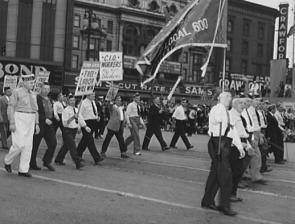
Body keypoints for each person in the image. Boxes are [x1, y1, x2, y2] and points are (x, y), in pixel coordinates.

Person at [201, 92, 243, 216]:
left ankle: (207, 201)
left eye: (230, 97)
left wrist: (239, 147)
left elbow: (232, 130)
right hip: (218, 143)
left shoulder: (226, 111)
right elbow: (215, 120)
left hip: (223, 142)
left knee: (215, 175)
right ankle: (224, 206)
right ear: (220, 98)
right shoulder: (217, 109)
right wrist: (222, 113)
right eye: (226, 97)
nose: (229, 99)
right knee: (226, 176)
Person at [4, 74, 39, 178]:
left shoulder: (34, 94)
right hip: (19, 116)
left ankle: (23, 170)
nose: (32, 84)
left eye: (33, 82)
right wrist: (12, 122)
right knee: (19, 144)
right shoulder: (16, 92)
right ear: (24, 82)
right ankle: (7, 160)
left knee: (28, 146)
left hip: (31, 118)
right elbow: (11, 107)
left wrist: (37, 124)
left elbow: (36, 110)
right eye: (30, 82)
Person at [30, 82, 57, 171]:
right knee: (35, 145)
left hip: (49, 124)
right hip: (40, 123)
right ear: (40, 89)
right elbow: (34, 111)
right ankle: (32, 163)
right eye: (44, 88)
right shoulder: (36, 98)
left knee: (53, 143)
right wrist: (43, 119)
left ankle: (47, 161)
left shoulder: (50, 99)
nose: (46, 90)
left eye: (48, 89)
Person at [229, 98, 252, 202]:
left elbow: (243, 133)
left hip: (242, 143)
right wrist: (239, 144)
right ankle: (230, 194)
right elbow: (231, 133)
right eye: (240, 103)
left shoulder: (239, 116)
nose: (243, 105)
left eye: (243, 103)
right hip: (235, 145)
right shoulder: (231, 115)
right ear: (234, 105)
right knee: (235, 171)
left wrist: (248, 145)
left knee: (238, 171)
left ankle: (232, 193)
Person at [54, 95, 86, 169]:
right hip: (67, 130)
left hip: (74, 130)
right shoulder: (65, 110)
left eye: (73, 100)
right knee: (72, 146)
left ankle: (58, 159)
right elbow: (65, 123)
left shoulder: (77, 109)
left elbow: (80, 119)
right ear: (68, 101)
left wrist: (82, 127)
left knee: (66, 146)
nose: (72, 102)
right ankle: (77, 162)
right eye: (71, 100)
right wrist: (72, 117)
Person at [241, 98, 264, 183]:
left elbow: (254, 124)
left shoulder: (249, 110)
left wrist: (257, 135)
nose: (248, 103)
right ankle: (250, 175)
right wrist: (252, 137)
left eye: (250, 101)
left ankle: (252, 175)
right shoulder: (244, 111)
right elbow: (245, 126)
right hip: (247, 135)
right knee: (253, 155)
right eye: (247, 101)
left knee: (253, 156)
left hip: (252, 134)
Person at [77, 93, 104, 165]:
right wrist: (82, 126)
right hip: (86, 123)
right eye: (93, 95)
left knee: (85, 140)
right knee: (90, 140)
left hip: (93, 122)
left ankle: (77, 154)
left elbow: (93, 112)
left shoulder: (93, 102)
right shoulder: (83, 103)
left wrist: (96, 117)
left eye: (94, 95)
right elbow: (79, 115)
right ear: (88, 95)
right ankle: (96, 157)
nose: (94, 96)